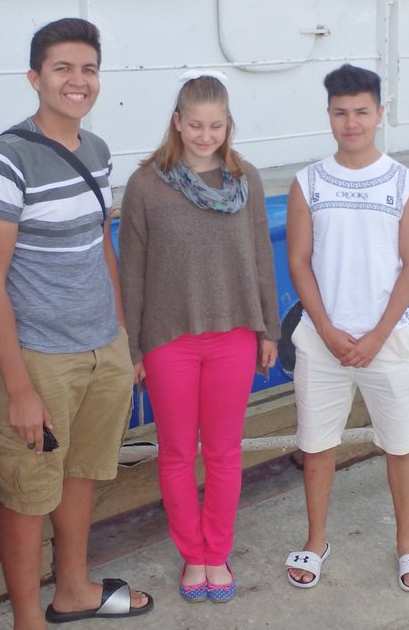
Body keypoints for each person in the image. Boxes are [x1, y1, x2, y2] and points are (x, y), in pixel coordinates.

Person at [0, 18, 153, 628]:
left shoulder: (96, 152)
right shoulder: (4, 160)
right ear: (34, 77)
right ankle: (27, 618)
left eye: (89, 69)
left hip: (103, 347)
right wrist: (18, 387)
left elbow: (102, 245)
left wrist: (121, 335)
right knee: (26, 495)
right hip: (40, 358)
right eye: (63, 69)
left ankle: (72, 589)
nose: (79, 81)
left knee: (81, 476)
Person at [119, 71, 280, 604]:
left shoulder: (246, 179)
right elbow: (132, 271)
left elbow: (262, 259)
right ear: (177, 123)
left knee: (225, 453)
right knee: (175, 453)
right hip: (169, 340)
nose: (205, 135)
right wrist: (134, 347)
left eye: (215, 125)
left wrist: (269, 330)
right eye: (195, 124)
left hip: (235, 334)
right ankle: (192, 555)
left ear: (228, 125)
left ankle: (217, 551)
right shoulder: (147, 184)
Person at [284, 64, 409, 592]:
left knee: (401, 444)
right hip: (322, 342)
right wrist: (323, 327)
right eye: (341, 113)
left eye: (361, 112)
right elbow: (299, 261)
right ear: (329, 114)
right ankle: (316, 539)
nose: (351, 123)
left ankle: (407, 543)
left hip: (385, 341)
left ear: (379, 114)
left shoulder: (405, 182)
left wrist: (374, 336)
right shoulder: (309, 182)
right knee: (317, 445)